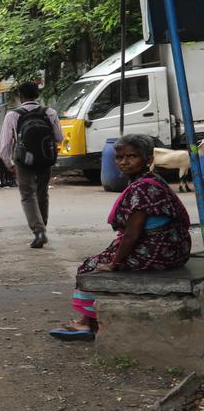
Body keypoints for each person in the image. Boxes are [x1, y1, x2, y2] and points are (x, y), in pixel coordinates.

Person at [49, 134, 193, 341]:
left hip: (159, 251)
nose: (124, 162)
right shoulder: (150, 180)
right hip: (173, 248)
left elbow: (132, 234)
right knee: (101, 259)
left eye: (132, 156)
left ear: (148, 160)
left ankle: (88, 323)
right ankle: (89, 321)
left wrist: (115, 262)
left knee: (90, 267)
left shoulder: (142, 188)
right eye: (119, 157)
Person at [0, 81, 63, 248]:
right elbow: (59, 138)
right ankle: (43, 228)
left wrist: (9, 163)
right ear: (37, 95)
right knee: (42, 193)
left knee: (27, 195)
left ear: (20, 96)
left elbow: (5, 144)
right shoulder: (50, 112)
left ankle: (38, 231)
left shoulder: (12, 115)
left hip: (23, 161)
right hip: (45, 159)